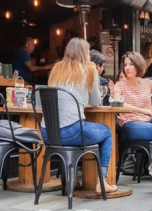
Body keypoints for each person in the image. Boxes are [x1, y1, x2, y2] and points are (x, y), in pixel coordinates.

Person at [40, 38, 117, 195]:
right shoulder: (89, 70)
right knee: (107, 132)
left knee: (70, 138)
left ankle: (72, 180)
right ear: (84, 53)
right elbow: (95, 102)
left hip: (47, 134)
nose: (89, 55)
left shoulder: (56, 69)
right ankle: (101, 182)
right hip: (71, 132)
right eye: (88, 52)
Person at [113, 51, 152, 195]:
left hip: (148, 121)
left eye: (131, 64)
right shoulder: (120, 85)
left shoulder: (147, 83)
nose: (127, 67)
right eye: (125, 65)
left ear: (139, 65)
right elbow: (117, 105)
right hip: (131, 124)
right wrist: (142, 111)